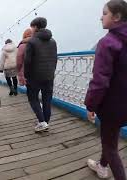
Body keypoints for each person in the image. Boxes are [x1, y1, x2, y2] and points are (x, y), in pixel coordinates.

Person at [85, 0, 127, 179]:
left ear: (116, 17)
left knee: (111, 148)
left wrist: (90, 105)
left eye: (104, 13)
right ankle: (102, 166)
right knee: (110, 138)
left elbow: (100, 82)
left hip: (112, 106)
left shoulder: (107, 42)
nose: (100, 17)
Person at [24, 17, 57, 132]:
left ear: (36, 27)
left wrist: (26, 76)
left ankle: (42, 122)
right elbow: (55, 59)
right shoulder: (53, 41)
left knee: (33, 99)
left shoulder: (32, 41)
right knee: (47, 99)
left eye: (32, 27)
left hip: (34, 76)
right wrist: (52, 72)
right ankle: (45, 122)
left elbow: (27, 61)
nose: (31, 30)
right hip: (49, 75)